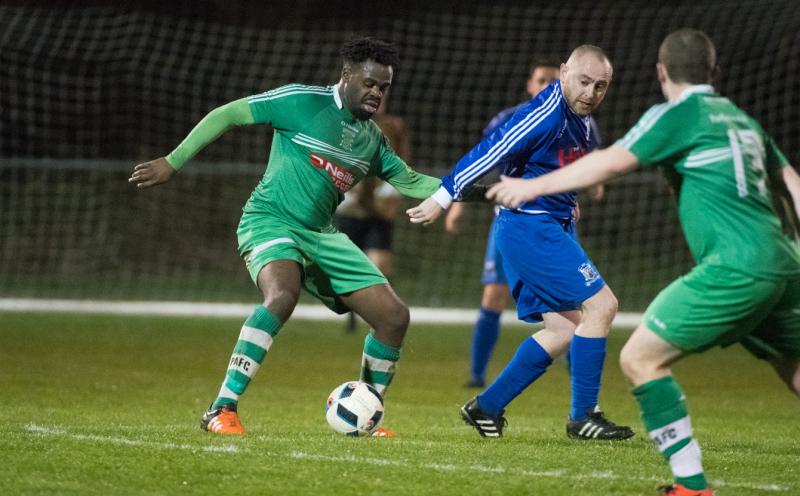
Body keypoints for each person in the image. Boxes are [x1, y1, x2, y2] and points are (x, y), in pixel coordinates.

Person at [485, 28, 800, 496]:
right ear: (714, 72)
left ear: (660, 72)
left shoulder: (677, 114)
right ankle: (494, 405)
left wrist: (532, 186)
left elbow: (612, 161)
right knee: (792, 364)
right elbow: (792, 183)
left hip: (735, 266)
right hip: (785, 261)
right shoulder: (740, 120)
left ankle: (690, 485)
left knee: (640, 358)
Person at [129, 37, 463, 437]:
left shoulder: (372, 139)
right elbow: (229, 113)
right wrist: (173, 161)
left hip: (322, 235)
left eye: (384, 87)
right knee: (282, 295)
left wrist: (475, 183)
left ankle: (366, 413)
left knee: (394, 317)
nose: (377, 93)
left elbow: (411, 180)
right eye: (370, 83)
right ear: (347, 75)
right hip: (270, 221)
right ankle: (221, 409)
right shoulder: (301, 101)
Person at [408, 45, 634, 441]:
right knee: (602, 306)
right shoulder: (545, 112)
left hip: (545, 224)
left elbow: (554, 166)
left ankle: (486, 406)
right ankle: (584, 416)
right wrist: (443, 197)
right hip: (530, 228)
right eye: (584, 81)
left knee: (564, 330)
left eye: (601, 86)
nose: (591, 92)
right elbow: (490, 150)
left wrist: (569, 202)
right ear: (564, 72)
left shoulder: (579, 119)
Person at [445, 58, 603, 388]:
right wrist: (454, 203)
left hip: (552, 222)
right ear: (530, 85)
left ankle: (579, 380)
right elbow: (489, 158)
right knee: (493, 296)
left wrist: (579, 191)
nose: (546, 85)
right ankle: (477, 375)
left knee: (578, 304)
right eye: (540, 79)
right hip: (513, 221)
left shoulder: (581, 120)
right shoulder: (515, 118)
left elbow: (584, 165)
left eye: (550, 79)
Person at [336, 89, 411, 331]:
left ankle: (379, 314)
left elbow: (403, 160)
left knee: (380, 265)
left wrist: (394, 189)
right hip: (352, 208)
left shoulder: (394, 126)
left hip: (380, 210)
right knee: (350, 266)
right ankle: (351, 316)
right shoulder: (346, 124)